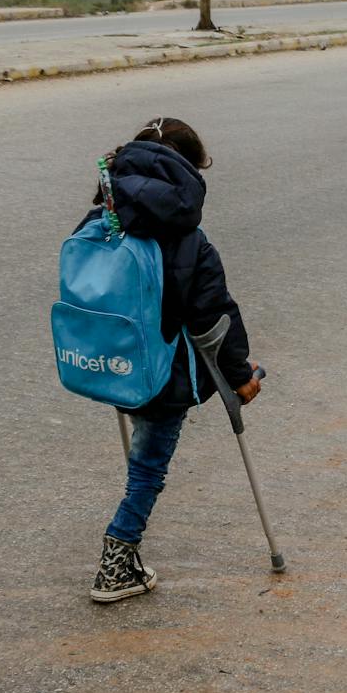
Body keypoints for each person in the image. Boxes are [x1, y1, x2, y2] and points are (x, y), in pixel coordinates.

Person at [78, 117, 260, 603]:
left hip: (110, 361)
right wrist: (240, 377)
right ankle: (116, 563)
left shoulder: (101, 222)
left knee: (143, 452)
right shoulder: (190, 241)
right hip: (165, 373)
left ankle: (123, 553)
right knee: (148, 468)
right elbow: (212, 320)